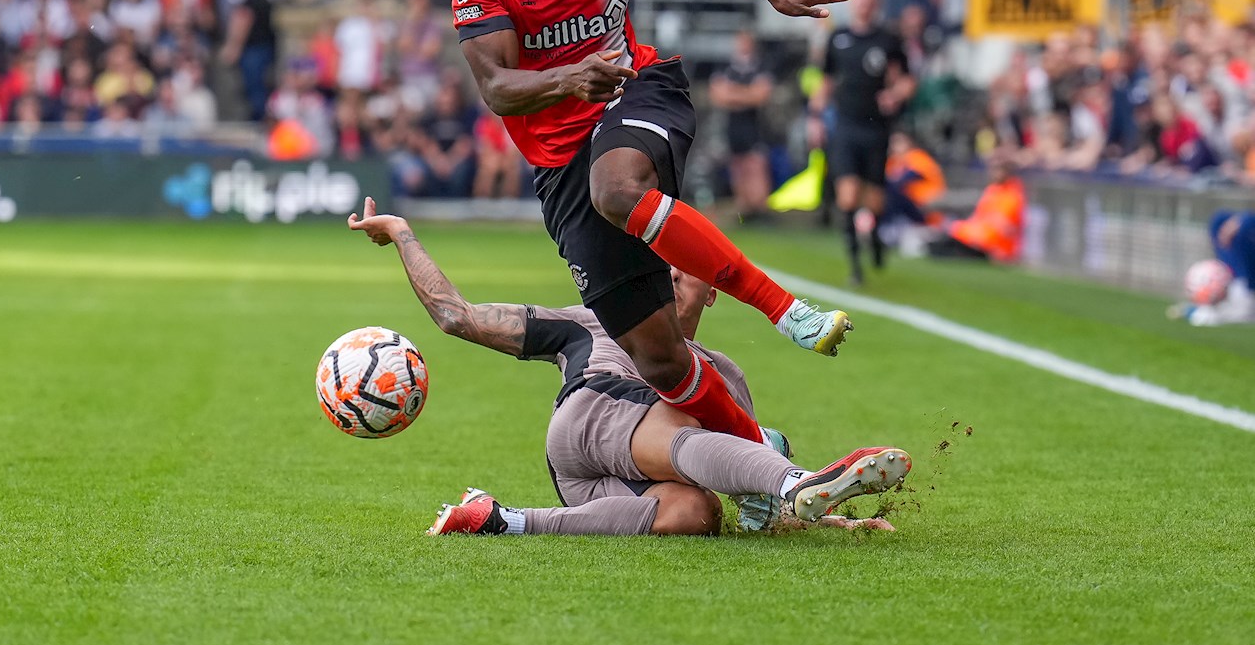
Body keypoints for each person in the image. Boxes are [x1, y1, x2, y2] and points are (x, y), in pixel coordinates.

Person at [442, 0, 852, 450]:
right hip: (559, 158)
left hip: (634, 89)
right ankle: (758, 456)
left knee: (616, 190)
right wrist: (568, 78)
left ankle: (786, 310)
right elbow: (498, 89)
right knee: (658, 357)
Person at [347, 198, 910, 536]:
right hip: (590, 418)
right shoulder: (590, 320)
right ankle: (796, 480)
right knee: (696, 422)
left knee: (696, 514)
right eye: (660, 261)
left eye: (686, 264)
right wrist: (401, 234)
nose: (670, 272)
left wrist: (832, 520)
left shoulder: (724, 374)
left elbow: (744, 487)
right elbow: (457, 317)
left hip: (598, 490)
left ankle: (502, 520)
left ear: (712, 290)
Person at [811, 0, 916, 286]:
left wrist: (895, 95)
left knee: (874, 199)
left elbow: (907, 80)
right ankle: (855, 265)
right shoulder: (838, 38)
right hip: (846, 124)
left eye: (870, 0)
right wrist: (815, 117)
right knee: (847, 194)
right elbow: (826, 80)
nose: (864, 5)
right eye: (860, 0)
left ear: (877, 4)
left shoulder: (888, 39)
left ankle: (876, 238)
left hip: (876, 126)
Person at [708, 29, 774, 220]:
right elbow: (718, 96)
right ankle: (744, 209)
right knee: (737, 166)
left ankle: (759, 209)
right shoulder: (726, 67)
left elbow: (760, 96)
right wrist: (746, 93)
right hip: (732, 126)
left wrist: (733, 93)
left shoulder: (760, 66)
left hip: (754, 126)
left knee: (756, 164)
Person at [926, 152, 1025, 262]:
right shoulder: (993, 190)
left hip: (994, 246)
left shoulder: (1013, 195)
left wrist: (973, 230)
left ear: (1007, 172)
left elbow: (1003, 226)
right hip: (978, 236)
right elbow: (979, 216)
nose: (992, 172)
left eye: (997, 169)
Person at [1168, 211, 1255, 326]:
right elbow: (1219, 217)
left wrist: (1242, 221)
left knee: (1239, 307)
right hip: (1234, 282)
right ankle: (1200, 307)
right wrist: (1235, 222)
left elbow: (1249, 221)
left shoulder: (1247, 232)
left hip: (1245, 288)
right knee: (1220, 221)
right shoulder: (1223, 228)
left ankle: (1195, 310)